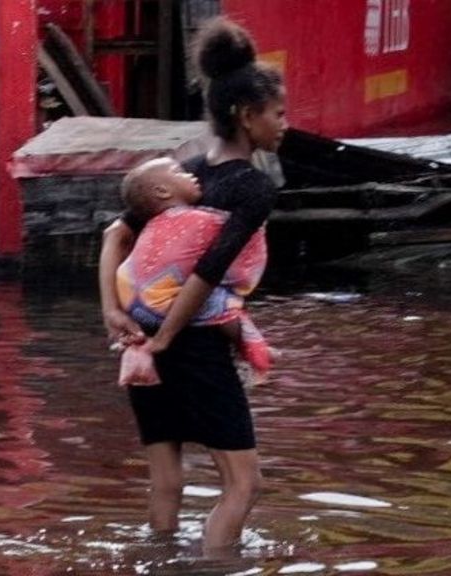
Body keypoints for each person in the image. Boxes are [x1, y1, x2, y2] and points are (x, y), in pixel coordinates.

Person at [98, 17, 288, 552]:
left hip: (141, 344)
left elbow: (115, 234)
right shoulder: (251, 187)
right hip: (193, 346)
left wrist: (112, 311)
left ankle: (158, 561)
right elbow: (207, 273)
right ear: (246, 117)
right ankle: (214, 566)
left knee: (168, 480)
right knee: (244, 484)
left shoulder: (185, 174)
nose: (284, 124)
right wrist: (167, 339)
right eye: (278, 114)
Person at [114, 158, 271, 386]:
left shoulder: (151, 223)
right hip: (157, 306)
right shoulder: (197, 219)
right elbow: (239, 236)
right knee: (224, 303)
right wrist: (257, 222)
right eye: (180, 173)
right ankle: (254, 347)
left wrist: (112, 310)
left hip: (131, 301)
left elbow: (114, 235)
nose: (192, 176)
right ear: (162, 191)